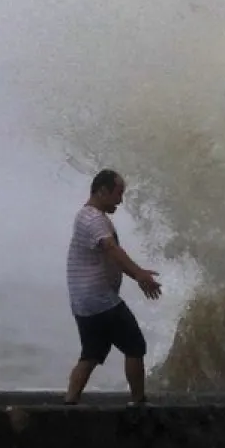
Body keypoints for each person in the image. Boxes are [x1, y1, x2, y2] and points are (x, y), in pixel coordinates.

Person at [64, 169, 162, 405]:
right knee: (135, 345)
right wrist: (139, 274)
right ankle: (138, 403)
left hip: (84, 302)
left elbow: (111, 257)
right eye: (118, 193)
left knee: (91, 354)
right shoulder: (94, 219)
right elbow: (111, 249)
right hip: (100, 300)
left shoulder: (86, 216)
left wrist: (136, 275)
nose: (120, 200)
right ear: (102, 191)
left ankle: (69, 403)